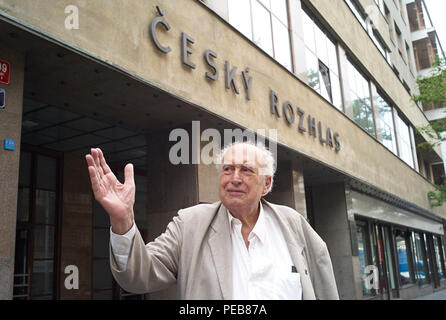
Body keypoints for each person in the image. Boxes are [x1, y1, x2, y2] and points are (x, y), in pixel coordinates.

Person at [85, 142, 339, 300]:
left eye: (246, 170)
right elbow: (138, 276)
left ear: (267, 184)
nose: (234, 178)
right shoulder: (190, 224)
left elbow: (324, 286)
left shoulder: (293, 224)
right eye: (227, 169)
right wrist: (123, 220)